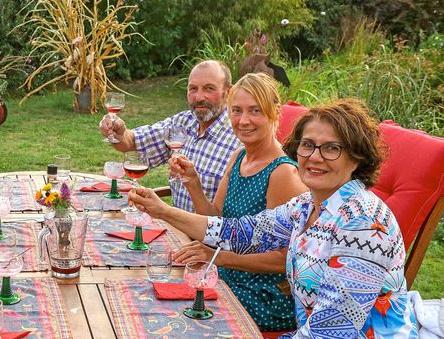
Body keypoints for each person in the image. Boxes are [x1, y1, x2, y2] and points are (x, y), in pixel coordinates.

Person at [129, 98, 418, 337]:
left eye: (331, 148)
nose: (314, 156)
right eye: (308, 145)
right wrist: (162, 210)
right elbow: (237, 233)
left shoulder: (363, 222)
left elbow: (333, 330)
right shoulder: (306, 206)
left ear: (356, 158)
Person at [169, 73, 308, 331]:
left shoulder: (282, 173)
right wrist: (193, 183)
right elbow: (217, 220)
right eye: (237, 111)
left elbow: (284, 259)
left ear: (274, 113)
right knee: (164, 288)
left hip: (263, 294)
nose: (243, 121)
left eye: (255, 111)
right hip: (226, 275)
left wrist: (220, 257)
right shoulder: (239, 157)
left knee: (180, 317)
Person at [98, 60, 241, 211]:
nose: (199, 97)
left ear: (229, 92)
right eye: (193, 89)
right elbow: (134, 143)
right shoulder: (182, 123)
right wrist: (120, 133)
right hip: (175, 229)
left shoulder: (239, 139)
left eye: (209, 88)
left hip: (207, 232)